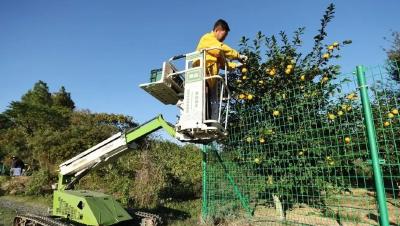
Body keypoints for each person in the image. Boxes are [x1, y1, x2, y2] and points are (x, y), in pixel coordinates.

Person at [196, 19, 247, 120]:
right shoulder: (207, 38)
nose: (224, 38)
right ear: (217, 30)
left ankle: (210, 121)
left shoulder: (215, 50)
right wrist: (238, 55)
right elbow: (221, 48)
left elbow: (224, 64)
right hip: (202, 75)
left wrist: (237, 65)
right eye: (224, 35)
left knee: (211, 106)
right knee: (202, 104)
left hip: (211, 80)